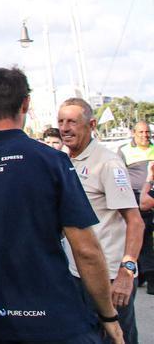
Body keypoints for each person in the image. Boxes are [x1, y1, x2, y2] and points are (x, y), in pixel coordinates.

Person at [0, 67, 123, 344]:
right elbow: (86, 249)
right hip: (52, 318)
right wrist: (108, 316)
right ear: (26, 103)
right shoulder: (51, 161)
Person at [58, 98, 144, 344]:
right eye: (61, 121)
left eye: (72, 121)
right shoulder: (63, 162)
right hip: (77, 274)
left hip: (110, 276)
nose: (65, 128)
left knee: (117, 338)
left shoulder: (108, 162)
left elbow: (135, 221)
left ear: (91, 124)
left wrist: (126, 274)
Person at [117, 121, 154, 293]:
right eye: (141, 132)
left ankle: (145, 274)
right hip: (134, 197)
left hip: (150, 194)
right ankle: (145, 275)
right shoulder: (124, 150)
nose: (145, 135)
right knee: (142, 235)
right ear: (134, 133)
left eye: (147, 132)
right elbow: (119, 174)